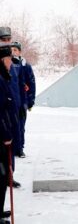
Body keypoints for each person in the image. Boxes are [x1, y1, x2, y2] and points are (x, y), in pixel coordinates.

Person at [0, 27, 22, 188]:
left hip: (13, 109)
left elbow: (19, 86)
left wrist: (22, 103)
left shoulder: (12, 64)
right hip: (3, 114)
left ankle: (9, 175)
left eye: (8, 39)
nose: (6, 42)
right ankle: (4, 175)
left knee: (12, 144)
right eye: (3, 39)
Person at [11, 41, 36, 158]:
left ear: (20, 52)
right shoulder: (6, 64)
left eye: (15, 50)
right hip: (10, 101)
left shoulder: (25, 66)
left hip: (22, 101)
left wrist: (30, 101)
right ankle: (10, 148)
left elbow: (31, 83)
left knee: (20, 126)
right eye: (11, 50)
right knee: (9, 126)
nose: (13, 52)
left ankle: (19, 148)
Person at [0, 43, 16, 224]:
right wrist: (5, 135)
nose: (11, 63)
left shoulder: (4, 77)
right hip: (0, 136)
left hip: (4, 132)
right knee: (1, 175)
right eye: (8, 59)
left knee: (3, 175)